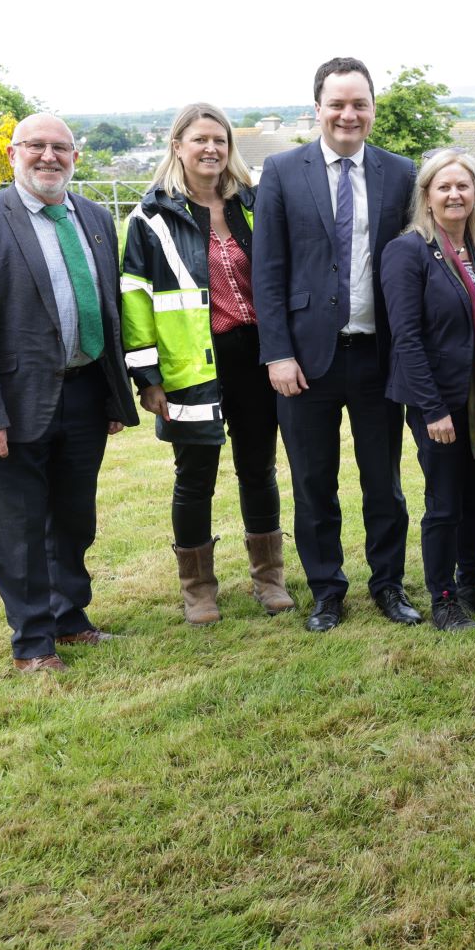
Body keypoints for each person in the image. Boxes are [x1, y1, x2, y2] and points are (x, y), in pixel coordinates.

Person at [0, 113, 140, 672]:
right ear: (13, 153)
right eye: (36, 147)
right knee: (19, 526)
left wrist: (111, 396)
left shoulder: (96, 218)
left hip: (84, 396)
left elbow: (110, 314)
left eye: (61, 148)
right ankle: (32, 643)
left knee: (75, 519)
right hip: (12, 404)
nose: (49, 157)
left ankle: (70, 620)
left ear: (74, 155)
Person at [251, 57, 417, 632]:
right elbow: (267, 271)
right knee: (313, 482)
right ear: (317, 108)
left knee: (384, 481)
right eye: (338, 104)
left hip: (377, 355)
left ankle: (388, 584)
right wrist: (277, 352)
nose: (349, 114)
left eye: (360, 103)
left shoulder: (401, 174)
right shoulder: (279, 170)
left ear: (372, 107)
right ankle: (327, 589)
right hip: (304, 361)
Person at [119, 102, 292, 625]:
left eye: (219, 139)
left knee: (258, 470)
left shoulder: (254, 203)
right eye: (199, 140)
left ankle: (270, 578)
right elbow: (136, 299)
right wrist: (148, 378)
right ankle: (198, 588)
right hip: (190, 366)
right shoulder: (151, 217)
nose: (211, 148)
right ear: (177, 147)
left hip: (255, 359)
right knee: (194, 477)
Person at [382, 150, 475, 631]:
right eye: (444, 187)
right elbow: (407, 338)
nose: (455, 194)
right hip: (438, 402)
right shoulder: (407, 251)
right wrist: (432, 408)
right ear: (427, 196)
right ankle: (442, 597)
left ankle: (470, 582)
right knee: (444, 502)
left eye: (463, 186)